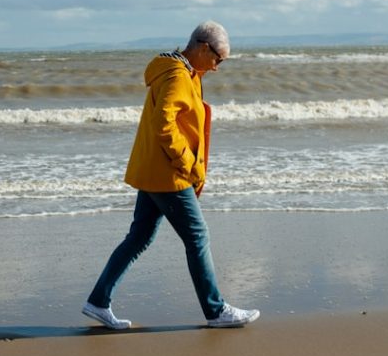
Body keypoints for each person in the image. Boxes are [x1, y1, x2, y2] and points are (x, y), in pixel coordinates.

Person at [82, 21, 260, 329]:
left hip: (154, 169)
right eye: (218, 59)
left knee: (138, 237)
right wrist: (188, 163)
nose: (218, 68)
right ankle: (215, 310)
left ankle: (98, 301)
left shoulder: (178, 69)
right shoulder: (178, 76)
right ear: (203, 47)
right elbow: (164, 125)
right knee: (197, 236)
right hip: (168, 174)